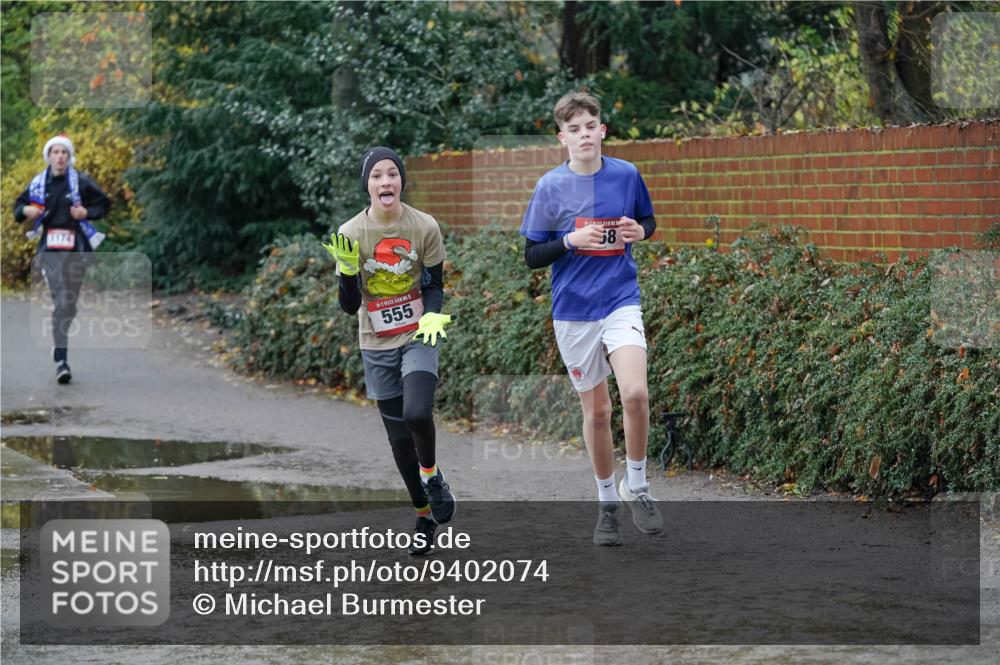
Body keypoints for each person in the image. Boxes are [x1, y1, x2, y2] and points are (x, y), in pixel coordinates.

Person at [520, 92, 662, 546]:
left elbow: (647, 222)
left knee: (635, 394)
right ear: (563, 138)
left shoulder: (627, 175)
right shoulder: (549, 187)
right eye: (574, 128)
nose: (584, 134)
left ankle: (636, 484)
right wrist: (570, 240)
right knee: (598, 413)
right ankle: (606, 504)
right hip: (574, 311)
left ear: (603, 131)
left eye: (591, 125)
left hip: (620, 299)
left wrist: (641, 231)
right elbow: (531, 255)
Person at [324, 146, 456, 555]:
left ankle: (433, 477)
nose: (386, 181)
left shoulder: (424, 226)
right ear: (367, 184)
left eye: (392, 174)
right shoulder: (351, 233)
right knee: (399, 439)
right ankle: (422, 514)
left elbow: (434, 285)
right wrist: (348, 273)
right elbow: (349, 305)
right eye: (377, 175)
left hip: (418, 333)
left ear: (401, 181)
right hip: (376, 340)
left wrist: (433, 315)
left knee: (417, 413)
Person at [13, 134, 110, 384]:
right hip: (50, 252)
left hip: (76, 248)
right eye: (55, 152)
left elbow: (105, 204)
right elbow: (18, 207)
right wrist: (27, 210)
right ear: (49, 156)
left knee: (69, 305)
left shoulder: (80, 182)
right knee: (61, 301)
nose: (60, 156)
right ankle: (62, 361)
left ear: (69, 157)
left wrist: (86, 212)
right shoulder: (38, 184)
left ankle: (60, 337)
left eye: (64, 152)